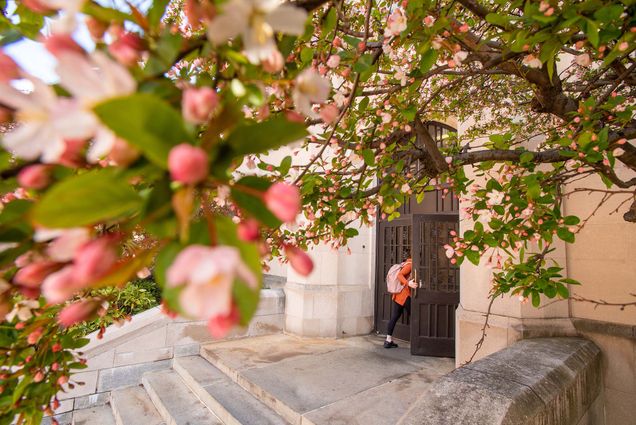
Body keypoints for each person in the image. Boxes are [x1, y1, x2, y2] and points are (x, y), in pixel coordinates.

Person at [384, 258, 417, 349]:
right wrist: (408, 283)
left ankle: (388, 340)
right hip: (404, 295)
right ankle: (416, 343)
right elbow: (399, 275)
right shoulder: (410, 264)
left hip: (398, 295)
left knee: (395, 316)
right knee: (415, 316)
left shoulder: (406, 263)